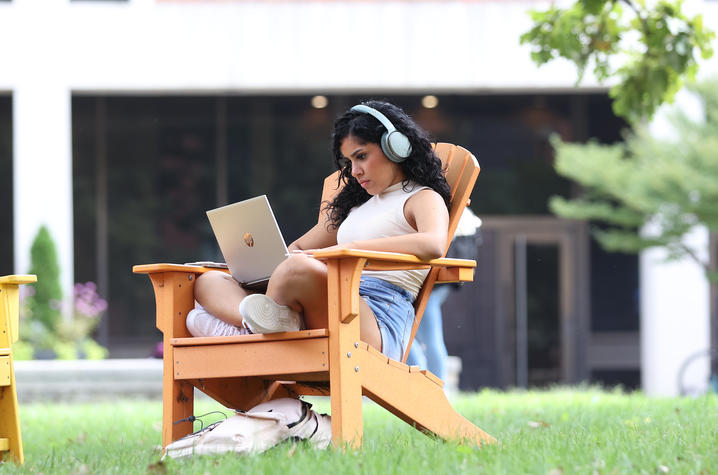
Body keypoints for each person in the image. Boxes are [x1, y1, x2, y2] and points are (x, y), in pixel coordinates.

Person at [186, 100, 451, 360]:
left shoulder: (421, 197)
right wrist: (267, 270)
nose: (355, 171)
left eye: (361, 156)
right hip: (331, 304)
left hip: (375, 319)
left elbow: (433, 243)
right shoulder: (357, 207)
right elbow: (297, 250)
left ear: (396, 147)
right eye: (349, 162)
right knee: (208, 281)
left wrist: (350, 250)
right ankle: (256, 324)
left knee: (297, 268)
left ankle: (252, 334)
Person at [407, 207, 482, 380]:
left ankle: (436, 390)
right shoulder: (457, 207)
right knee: (420, 336)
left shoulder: (434, 201)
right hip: (440, 280)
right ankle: (432, 387)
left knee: (425, 338)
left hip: (433, 280)